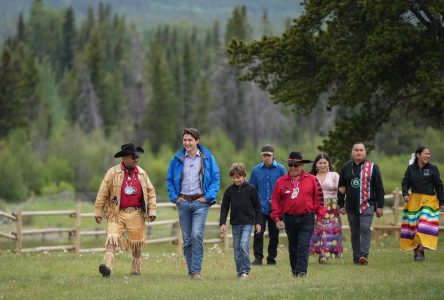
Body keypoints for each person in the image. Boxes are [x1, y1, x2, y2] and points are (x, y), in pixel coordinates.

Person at [95, 143, 157, 277]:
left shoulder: (141, 173)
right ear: (124, 158)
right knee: (112, 237)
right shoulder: (112, 172)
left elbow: (150, 192)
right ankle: (107, 267)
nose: (136, 160)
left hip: (136, 213)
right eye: (133, 157)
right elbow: (103, 192)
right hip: (116, 212)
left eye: (137, 157)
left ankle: (136, 269)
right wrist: (98, 211)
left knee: (136, 243)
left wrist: (152, 211)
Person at [166, 128, 220, 280]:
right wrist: (174, 197)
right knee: (187, 239)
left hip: (200, 203)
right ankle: (191, 270)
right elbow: (169, 179)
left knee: (197, 235)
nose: (187, 143)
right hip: (183, 202)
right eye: (185, 140)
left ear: (197, 141)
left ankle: (196, 271)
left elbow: (216, 178)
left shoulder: (208, 158)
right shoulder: (176, 159)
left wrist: (208, 196)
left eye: (190, 140)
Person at [271, 151, 325, 278]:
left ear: (302, 166)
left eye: (296, 165)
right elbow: (275, 201)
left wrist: (319, 218)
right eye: (291, 165)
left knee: (303, 244)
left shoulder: (312, 180)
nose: (293, 168)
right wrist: (277, 218)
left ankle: (301, 272)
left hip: (307, 218)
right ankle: (295, 271)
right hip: (289, 218)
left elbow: (319, 200)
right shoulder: (280, 181)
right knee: (293, 247)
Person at [338, 142, 384, 265]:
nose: (359, 152)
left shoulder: (373, 167)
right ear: (352, 152)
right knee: (354, 232)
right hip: (351, 206)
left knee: (365, 228)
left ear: (365, 152)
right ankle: (356, 257)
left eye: (361, 150)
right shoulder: (346, 167)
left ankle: (363, 255)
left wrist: (380, 206)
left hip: (367, 204)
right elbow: (341, 187)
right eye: (356, 150)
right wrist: (341, 205)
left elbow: (379, 188)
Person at [400, 146, 444, 261]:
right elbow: (405, 183)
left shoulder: (433, 169)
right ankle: (418, 252)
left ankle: (420, 250)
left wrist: (442, 202)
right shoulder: (410, 169)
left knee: (423, 225)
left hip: (429, 200)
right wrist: (405, 194)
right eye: (425, 154)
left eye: (429, 154)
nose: (428, 156)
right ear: (418, 155)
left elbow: (439, 186)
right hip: (414, 200)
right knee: (414, 227)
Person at [220, 163, 262, 279]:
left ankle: (246, 271)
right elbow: (224, 207)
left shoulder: (251, 189)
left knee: (244, 244)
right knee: (237, 250)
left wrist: (258, 223)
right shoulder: (229, 191)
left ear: (244, 176)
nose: (236, 180)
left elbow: (258, 207)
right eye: (233, 177)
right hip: (235, 224)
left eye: (238, 177)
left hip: (248, 223)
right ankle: (240, 273)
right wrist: (223, 223)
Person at [249, 144, 286, 266]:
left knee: (274, 235)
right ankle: (258, 258)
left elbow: (285, 188)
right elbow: (252, 189)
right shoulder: (256, 170)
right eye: (264, 155)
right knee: (258, 233)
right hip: (260, 208)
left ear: (273, 155)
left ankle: (271, 258)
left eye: (268, 155)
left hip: (275, 208)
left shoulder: (281, 169)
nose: (266, 158)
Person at [309, 153, 343, 263]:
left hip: (331, 207)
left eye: (325, 163)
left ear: (328, 164)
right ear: (316, 165)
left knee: (330, 230)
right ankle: (320, 252)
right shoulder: (311, 177)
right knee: (318, 230)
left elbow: (341, 190)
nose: (323, 165)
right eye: (320, 163)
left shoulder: (334, 175)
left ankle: (326, 254)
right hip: (317, 206)